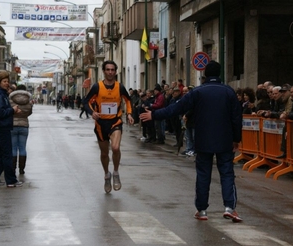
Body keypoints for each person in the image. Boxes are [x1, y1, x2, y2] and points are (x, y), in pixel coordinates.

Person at [140, 61, 243, 222]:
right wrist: (237, 139)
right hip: (224, 139)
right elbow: (237, 118)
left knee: (203, 174)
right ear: (220, 74)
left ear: (206, 75)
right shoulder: (228, 92)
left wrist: (154, 115)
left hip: (202, 139)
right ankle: (230, 207)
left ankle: (202, 210)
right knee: (227, 173)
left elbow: (176, 108)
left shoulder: (198, 92)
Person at [82, 60, 134, 193]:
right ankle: (107, 175)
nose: (110, 72)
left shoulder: (120, 87)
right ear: (104, 71)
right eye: (108, 69)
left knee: (115, 148)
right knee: (104, 153)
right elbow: (86, 101)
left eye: (112, 70)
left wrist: (129, 114)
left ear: (115, 72)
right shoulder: (97, 87)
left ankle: (116, 173)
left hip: (115, 122)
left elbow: (128, 100)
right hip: (101, 124)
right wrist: (92, 112)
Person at [0, 72, 23, 188]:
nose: (7, 84)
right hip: (2, 127)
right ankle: (11, 180)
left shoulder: (1, 94)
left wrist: (12, 110)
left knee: (0, 154)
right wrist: (12, 110)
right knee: (7, 154)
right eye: (4, 82)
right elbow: (0, 113)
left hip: (2, 126)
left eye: (7, 81)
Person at [10, 84, 33, 175]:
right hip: (24, 125)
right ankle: (21, 169)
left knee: (13, 148)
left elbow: (8, 110)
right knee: (22, 148)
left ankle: (13, 168)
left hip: (12, 125)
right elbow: (29, 112)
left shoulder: (10, 99)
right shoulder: (28, 101)